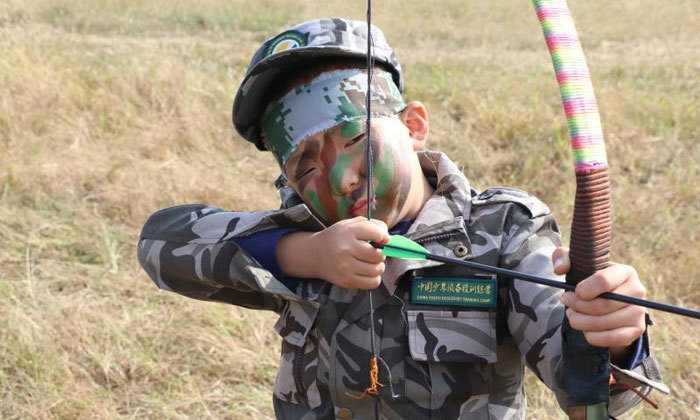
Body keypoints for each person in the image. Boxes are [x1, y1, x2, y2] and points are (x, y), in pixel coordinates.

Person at [137, 18, 666, 419]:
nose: (341, 179)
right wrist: (304, 255)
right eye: (306, 168)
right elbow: (160, 244)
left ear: (413, 126)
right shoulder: (304, 233)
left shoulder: (503, 230)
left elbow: (589, 395)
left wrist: (615, 335)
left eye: (355, 138)